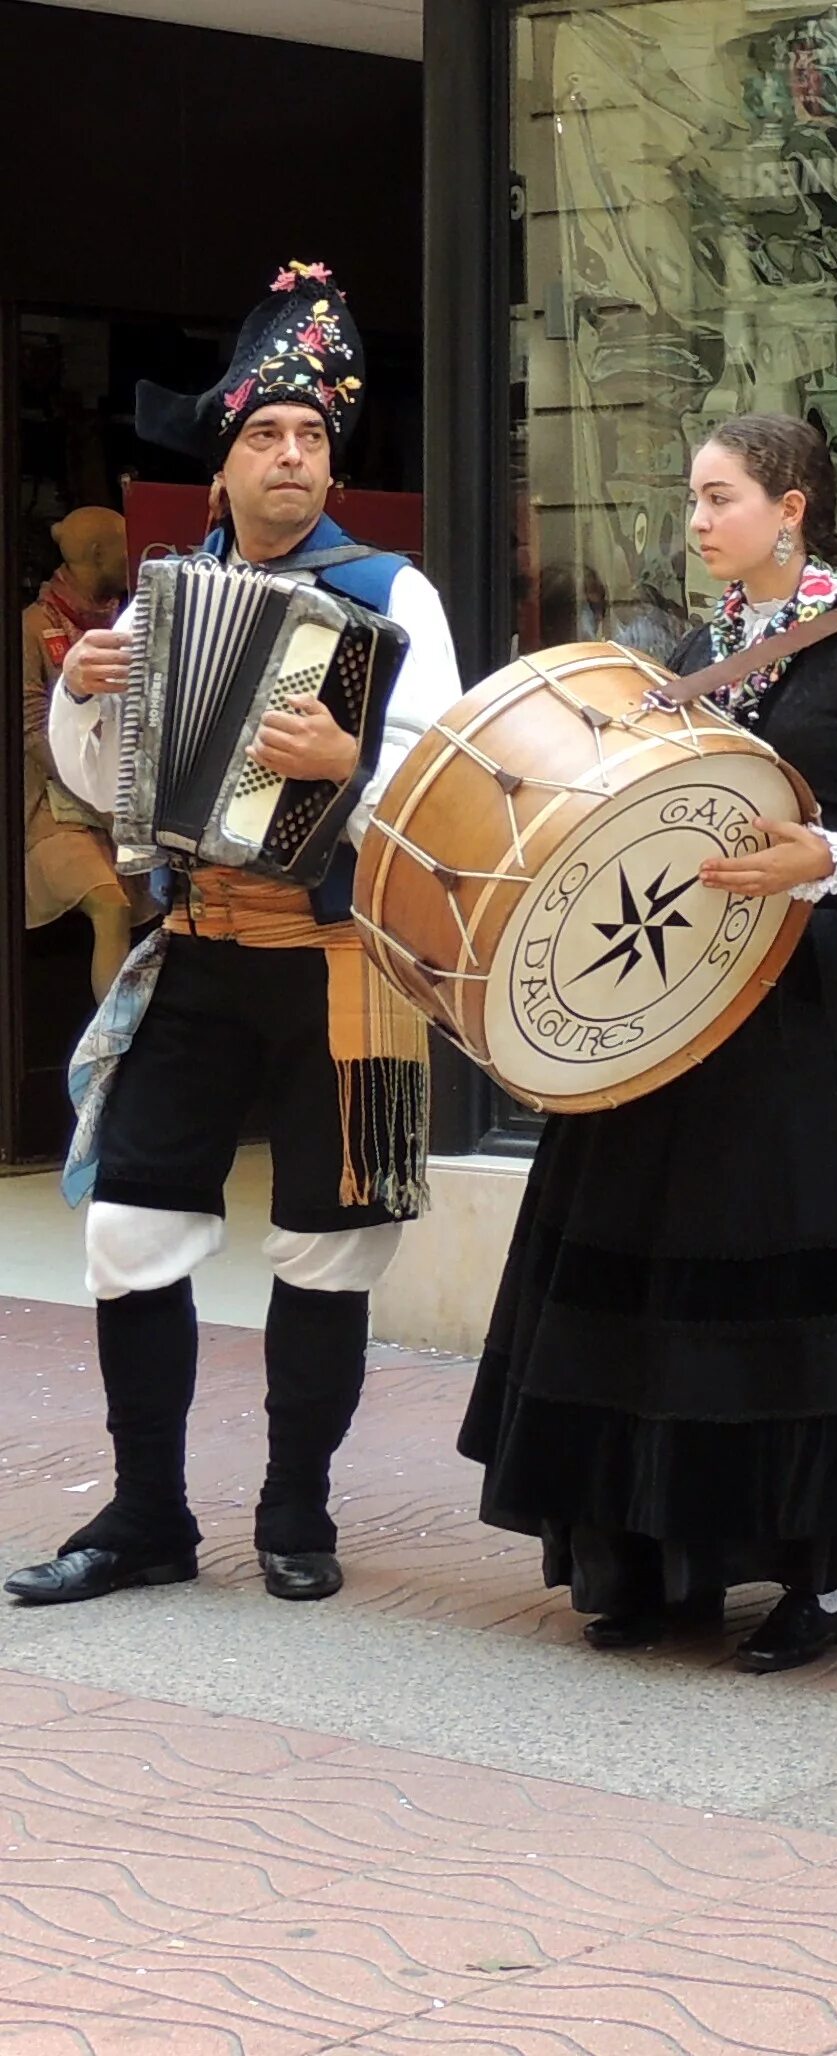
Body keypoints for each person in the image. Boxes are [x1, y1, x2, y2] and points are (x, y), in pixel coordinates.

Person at [458, 413, 837, 1673]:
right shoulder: (688, 654)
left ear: (792, 508)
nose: (696, 521)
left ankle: (819, 1567)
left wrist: (824, 859)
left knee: (795, 1296)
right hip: (670, 1005)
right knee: (655, 1289)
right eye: (692, 498)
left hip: (810, 1019)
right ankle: (653, 1555)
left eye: (719, 497)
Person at [9, 263, 459, 1606]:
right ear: (222, 466)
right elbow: (102, 784)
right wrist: (80, 696)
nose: (291, 456)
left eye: (312, 438)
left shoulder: (397, 593)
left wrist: (340, 766)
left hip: (350, 969)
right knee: (127, 1228)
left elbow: (447, 789)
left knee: (340, 1240)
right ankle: (148, 1515)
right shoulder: (166, 596)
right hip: (198, 947)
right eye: (266, 436)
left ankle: (296, 1513)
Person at [20, 506, 146, 998]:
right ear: (97, 554)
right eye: (122, 547)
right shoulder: (33, 625)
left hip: (114, 802)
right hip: (54, 806)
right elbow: (31, 730)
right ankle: (107, 1050)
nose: (132, 557)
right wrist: (92, 795)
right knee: (110, 907)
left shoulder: (126, 620)